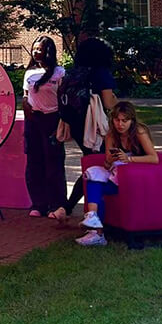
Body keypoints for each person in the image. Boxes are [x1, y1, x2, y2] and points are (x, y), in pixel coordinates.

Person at [76, 101, 159, 246]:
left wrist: (129, 159)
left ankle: (97, 231)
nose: (120, 124)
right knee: (93, 178)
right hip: (117, 175)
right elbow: (107, 165)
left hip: (136, 179)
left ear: (132, 120)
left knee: (97, 185)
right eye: (117, 120)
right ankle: (94, 221)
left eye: (124, 121)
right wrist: (109, 160)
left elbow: (154, 158)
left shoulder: (139, 132)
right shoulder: (111, 136)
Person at [57, 29, 120, 216]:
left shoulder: (74, 73)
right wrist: (121, 103)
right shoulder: (102, 73)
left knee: (92, 162)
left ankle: (67, 208)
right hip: (96, 126)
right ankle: (69, 208)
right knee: (99, 165)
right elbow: (109, 103)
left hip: (77, 125)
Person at [21, 36, 69, 223]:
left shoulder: (59, 73)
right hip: (34, 120)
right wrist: (26, 104)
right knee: (34, 162)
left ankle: (56, 204)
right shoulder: (30, 73)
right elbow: (25, 95)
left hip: (52, 119)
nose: (35, 52)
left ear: (48, 51)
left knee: (54, 163)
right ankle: (37, 204)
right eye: (34, 49)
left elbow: (64, 98)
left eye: (39, 49)